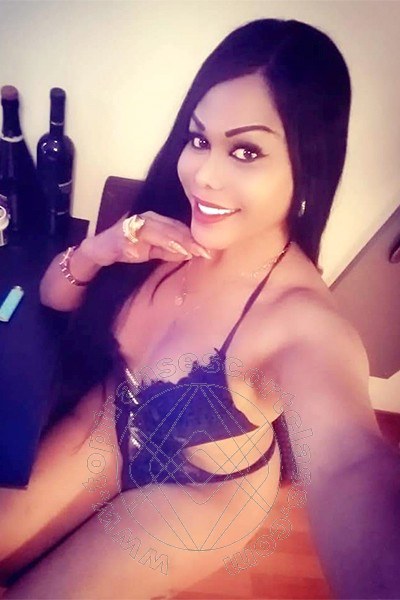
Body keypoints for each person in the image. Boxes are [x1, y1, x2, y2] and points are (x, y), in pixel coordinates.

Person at [1, 17, 399, 600]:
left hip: (199, 493)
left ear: (308, 166)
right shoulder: (161, 223)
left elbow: (348, 462)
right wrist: (103, 249)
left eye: (246, 150)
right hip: (110, 423)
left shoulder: (303, 322)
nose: (204, 176)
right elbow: (50, 297)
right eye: (199, 140)